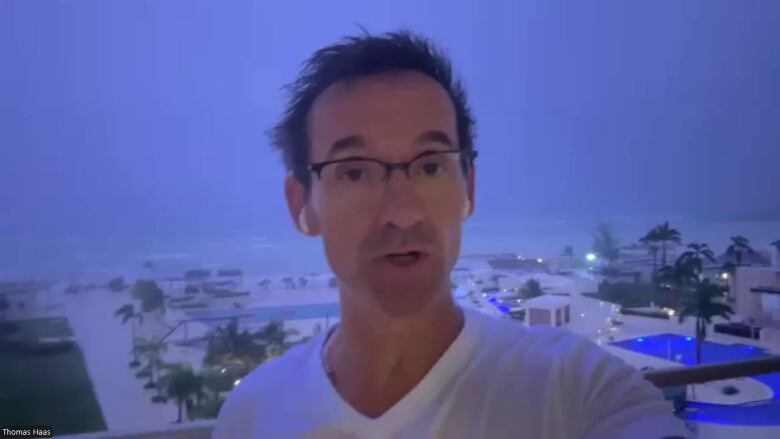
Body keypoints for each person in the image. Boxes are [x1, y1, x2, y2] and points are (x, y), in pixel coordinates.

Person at [213, 30, 689, 439]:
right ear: (302, 205)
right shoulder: (253, 415)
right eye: (354, 172)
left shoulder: (575, 390)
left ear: (469, 189)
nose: (400, 213)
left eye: (431, 166)